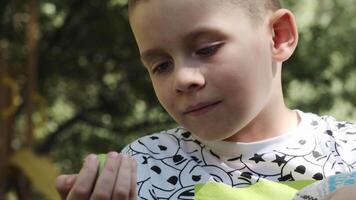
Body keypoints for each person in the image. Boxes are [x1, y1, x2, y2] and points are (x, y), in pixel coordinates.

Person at [55, 0, 356, 199]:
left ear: (278, 36)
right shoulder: (140, 168)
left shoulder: (348, 150)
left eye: (206, 49)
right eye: (161, 65)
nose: (183, 79)